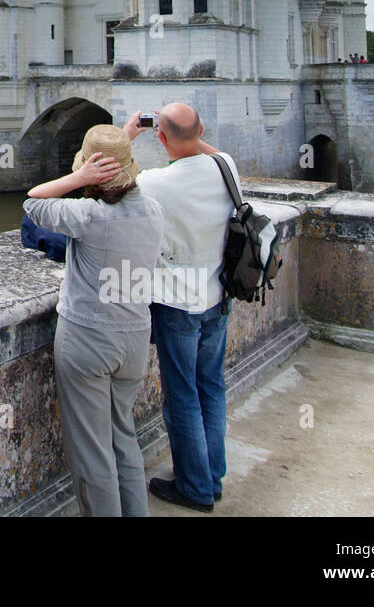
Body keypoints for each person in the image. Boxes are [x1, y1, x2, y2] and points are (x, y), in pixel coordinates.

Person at [24, 124, 166, 517]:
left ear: (92, 173)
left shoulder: (88, 215)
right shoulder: (153, 210)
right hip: (135, 336)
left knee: (92, 452)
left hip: (88, 339)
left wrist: (79, 177)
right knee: (124, 437)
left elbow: (33, 203)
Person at [123, 103, 235, 514]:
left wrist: (129, 134)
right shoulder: (226, 166)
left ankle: (194, 487)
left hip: (176, 303)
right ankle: (212, 476)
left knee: (183, 395)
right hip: (218, 296)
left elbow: (107, 182)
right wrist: (186, 134)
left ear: (162, 138)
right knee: (212, 386)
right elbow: (207, 149)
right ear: (202, 130)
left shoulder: (156, 184)